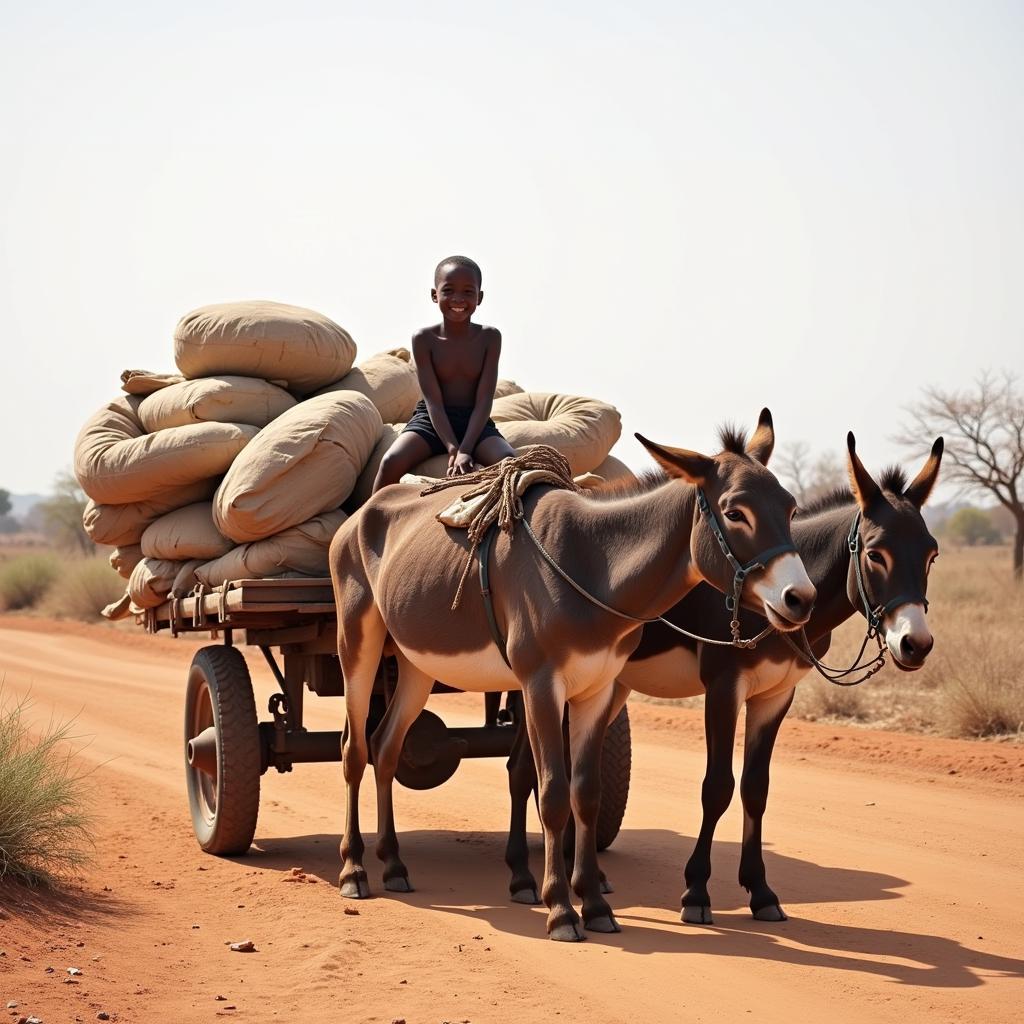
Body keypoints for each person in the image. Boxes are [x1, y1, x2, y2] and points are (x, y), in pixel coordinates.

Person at [372, 255, 517, 492]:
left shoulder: (490, 338)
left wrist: (466, 449)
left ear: (479, 297)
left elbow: (484, 400)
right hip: (431, 421)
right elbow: (433, 401)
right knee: (390, 461)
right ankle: (367, 525)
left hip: (475, 422)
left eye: (468, 292)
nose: (458, 299)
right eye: (448, 290)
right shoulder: (424, 339)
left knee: (510, 462)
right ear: (434, 294)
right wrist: (452, 449)